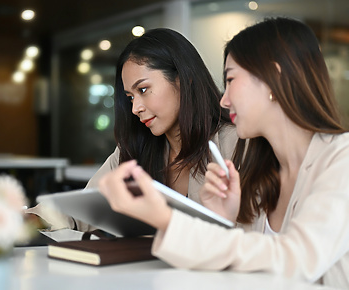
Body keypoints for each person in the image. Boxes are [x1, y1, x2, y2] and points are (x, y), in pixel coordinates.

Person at [98, 17, 349, 289]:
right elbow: (247, 269)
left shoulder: (341, 159)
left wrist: (166, 218)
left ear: (275, 79)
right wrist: (224, 221)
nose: (223, 99)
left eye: (231, 80)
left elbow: (296, 261)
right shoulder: (260, 165)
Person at [27, 28, 237, 231]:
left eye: (143, 90)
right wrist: (32, 218)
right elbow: (83, 210)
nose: (135, 108)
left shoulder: (234, 143)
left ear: (184, 79)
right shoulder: (136, 148)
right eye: (130, 97)